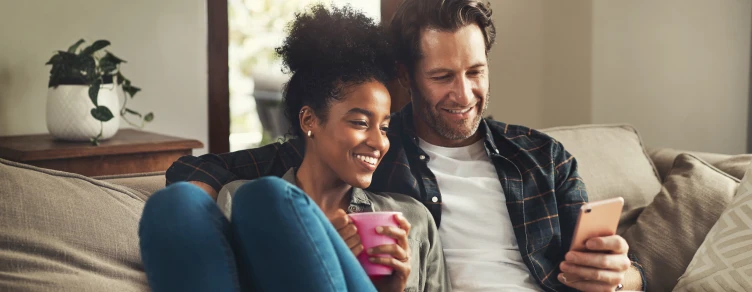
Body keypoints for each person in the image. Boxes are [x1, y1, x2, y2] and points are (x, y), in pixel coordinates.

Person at [167, 0, 646, 291]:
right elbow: (198, 174)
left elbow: (625, 270)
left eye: (475, 72)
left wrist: (620, 277)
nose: (463, 94)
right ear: (407, 78)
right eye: (442, 77)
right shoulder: (368, 150)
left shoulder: (541, 157)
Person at [139, 5, 448, 292]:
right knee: (172, 204)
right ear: (309, 119)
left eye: (384, 127)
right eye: (359, 122)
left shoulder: (411, 218)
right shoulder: (236, 200)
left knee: (266, 196)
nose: (379, 142)